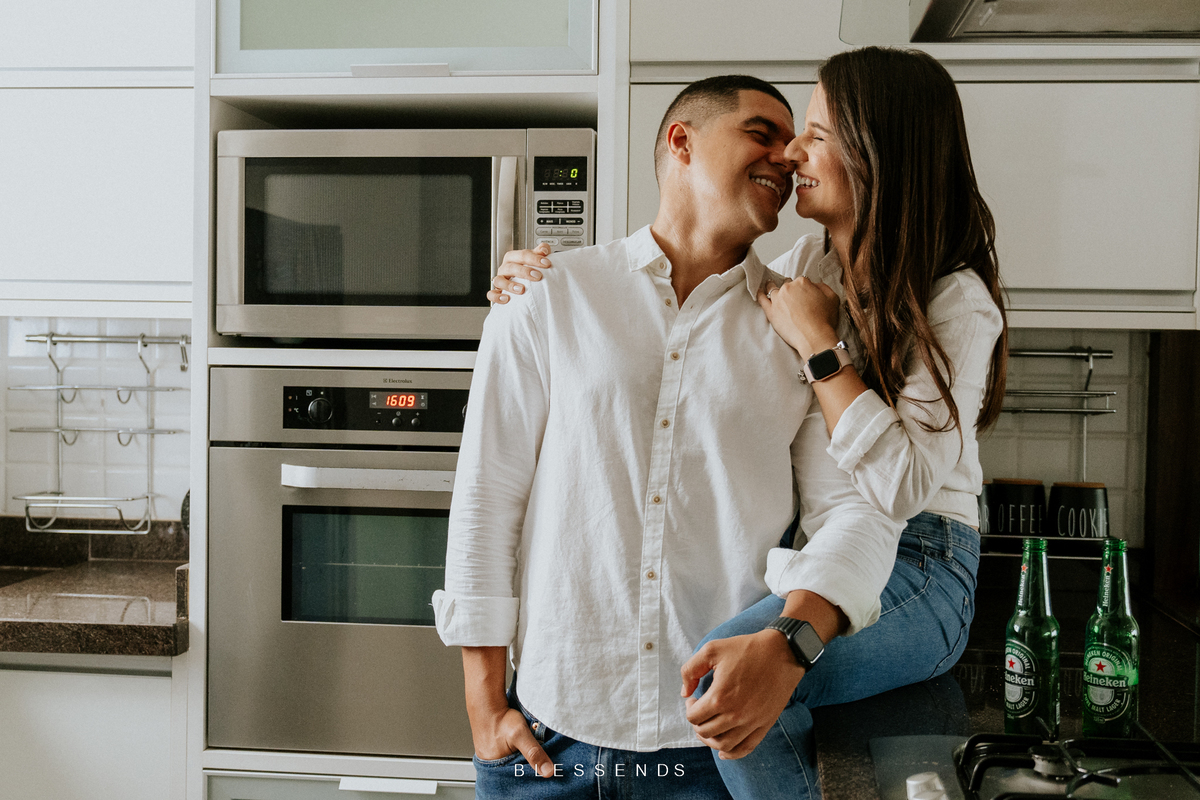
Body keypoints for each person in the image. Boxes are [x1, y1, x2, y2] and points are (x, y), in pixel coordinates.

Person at [489, 47, 1007, 799]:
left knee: (731, 668)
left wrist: (823, 351)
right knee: (731, 671)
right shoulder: (807, 270)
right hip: (837, 548)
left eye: (819, 132)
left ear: (878, 149)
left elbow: (899, 490)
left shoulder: (955, 301)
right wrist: (523, 285)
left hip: (926, 560)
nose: (794, 152)